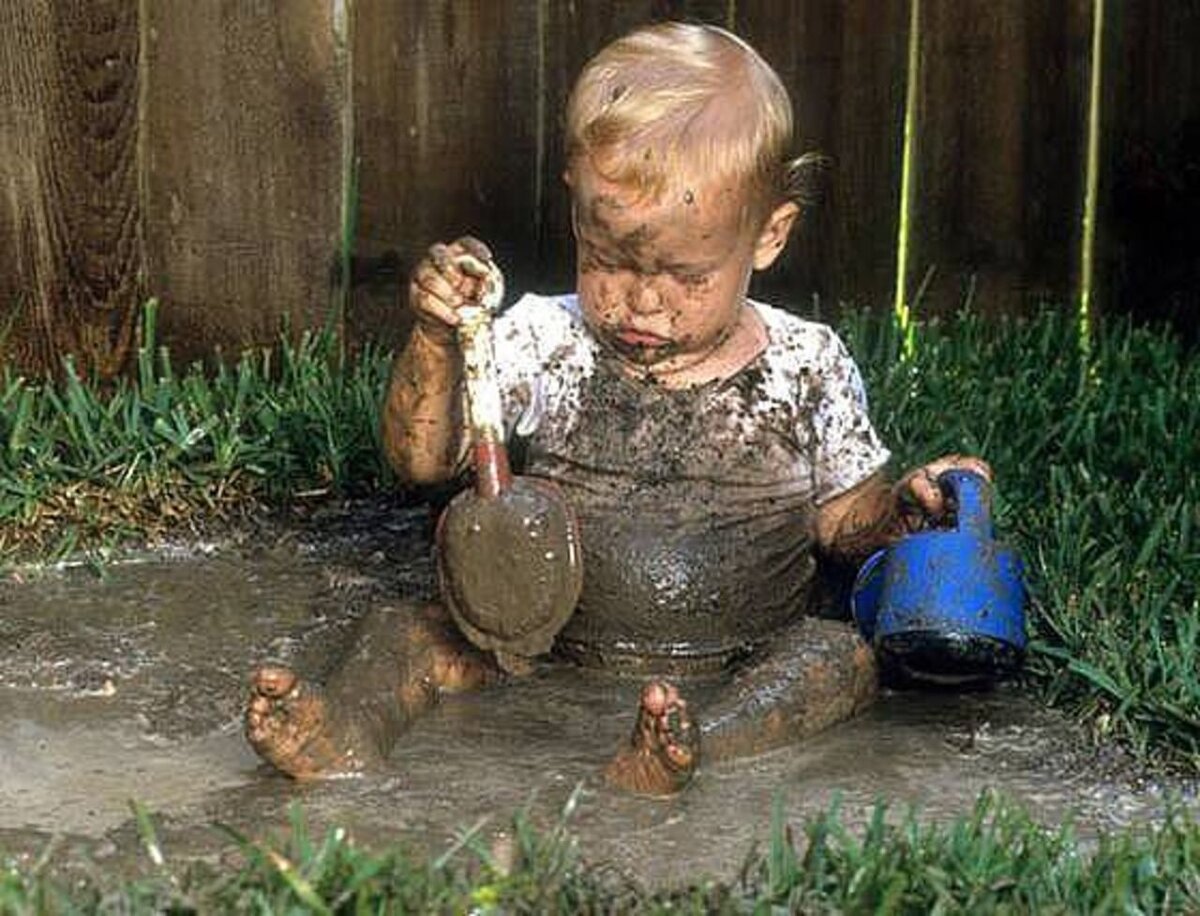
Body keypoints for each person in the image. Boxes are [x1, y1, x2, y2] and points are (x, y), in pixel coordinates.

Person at [245, 21, 989, 796]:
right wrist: (438, 338)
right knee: (406, 631)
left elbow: (844, 525)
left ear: (768, 236)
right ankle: (351, 729)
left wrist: (902, 513)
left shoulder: (804, 365)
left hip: (745, 647)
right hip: (535, 640)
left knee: (838, 660)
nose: (640, 299)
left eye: (683, 275)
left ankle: (694, 745)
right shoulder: (549, 338)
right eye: (606, 261)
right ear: (576, 208)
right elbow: (422, 460)